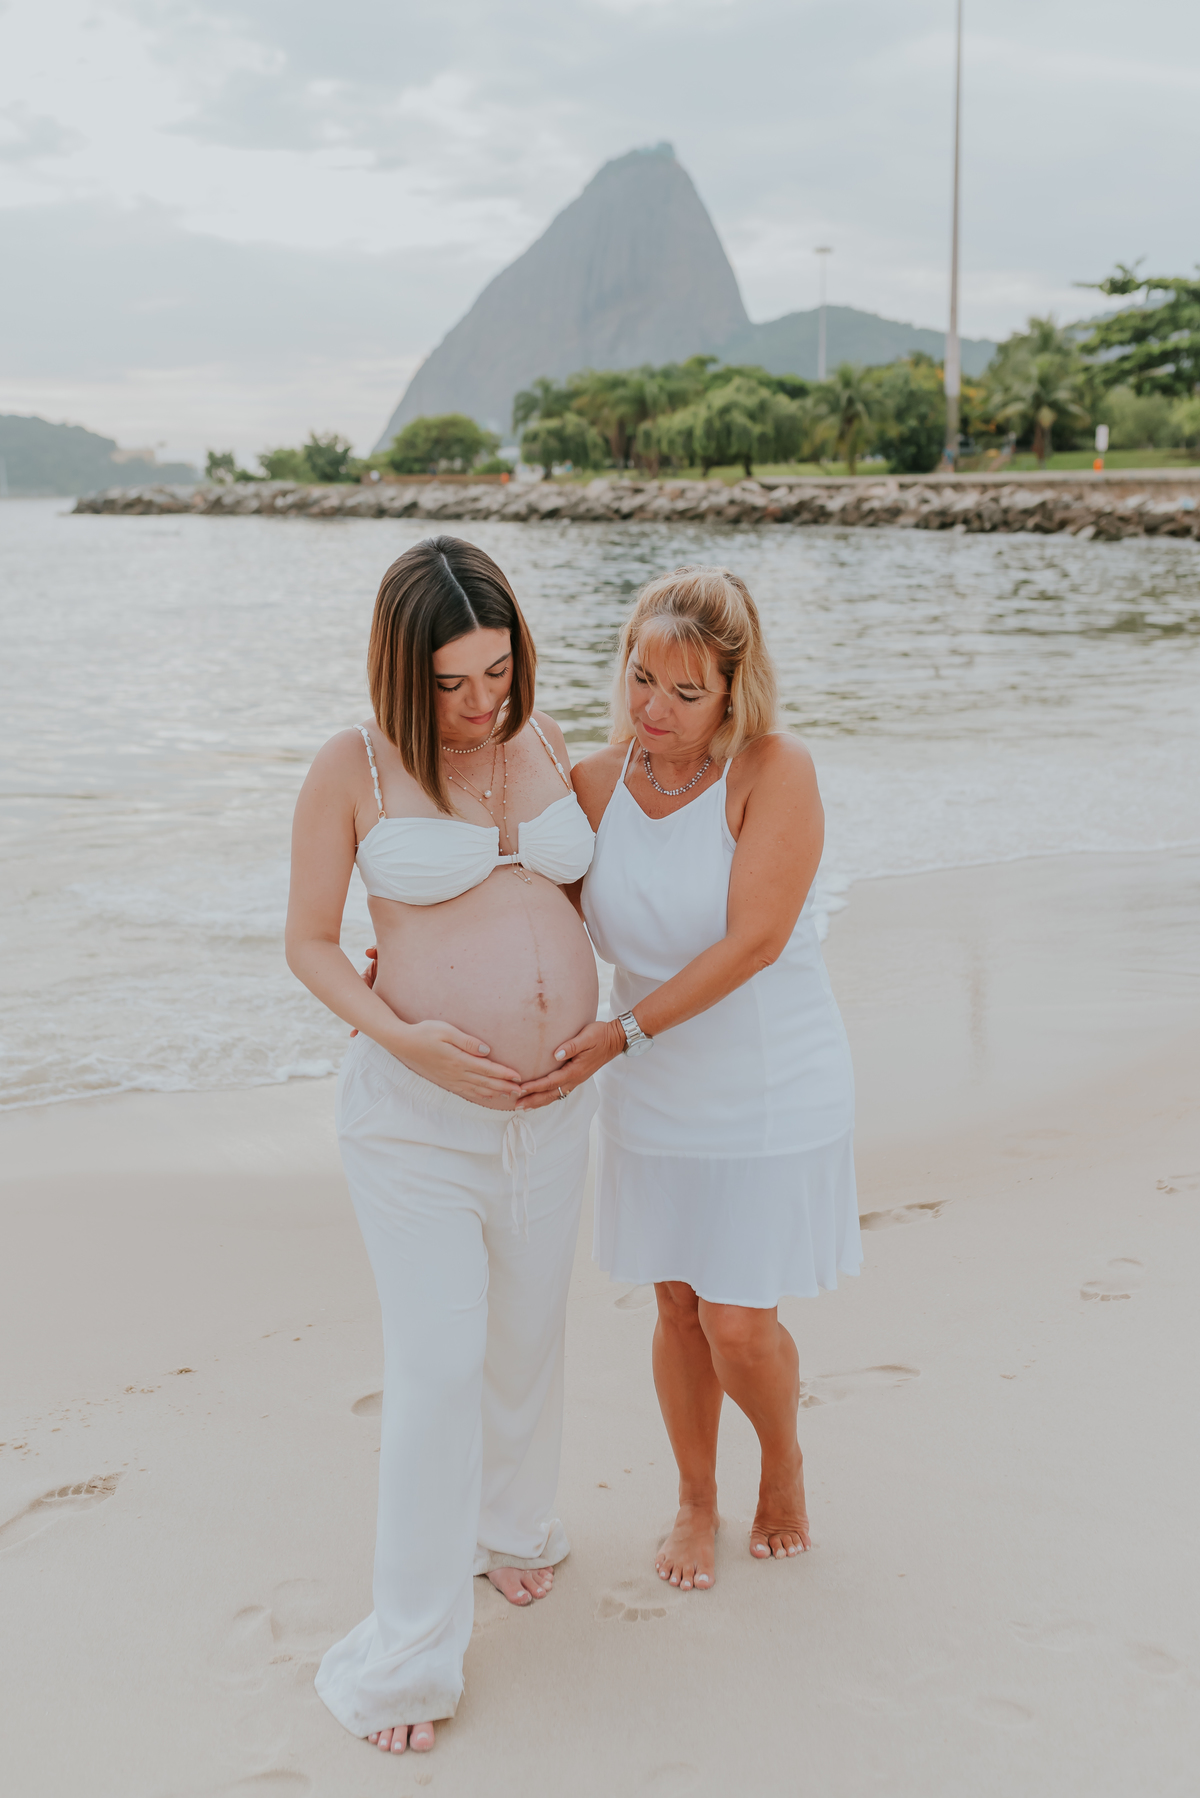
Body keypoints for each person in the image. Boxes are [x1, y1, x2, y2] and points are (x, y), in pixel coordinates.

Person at [285, 536, 599, 1755]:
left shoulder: (546, 739)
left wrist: (599, 1023)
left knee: (527, 1337)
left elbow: (571, 899)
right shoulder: (353, 766)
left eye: (499, 671)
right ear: (400, 673)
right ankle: (410, 1653)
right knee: (436, 1365)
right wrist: (406, 1035)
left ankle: (510, 1527)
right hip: (416, 1125)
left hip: (551, 1111)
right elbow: (312, 941)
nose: (481, 703)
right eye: (452, 683)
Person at [518, 565, 861, 1594]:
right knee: (676, 1306)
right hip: (652, 1087)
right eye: (640, 679)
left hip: (767, 1076)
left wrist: (621, 1033)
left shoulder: (774, 770)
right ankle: (696, 1498)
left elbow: (755, 942)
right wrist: (406, 960)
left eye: (684, 691)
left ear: (732, 691)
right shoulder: (591, 784)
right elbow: (525, 911)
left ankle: (783, 1462)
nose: (653, 709)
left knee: (738, 1322)